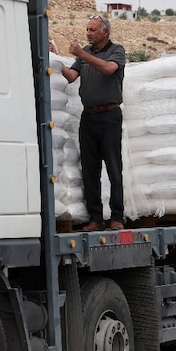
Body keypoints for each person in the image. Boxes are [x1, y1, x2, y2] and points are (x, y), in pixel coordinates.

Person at [58, 15, 127, 231]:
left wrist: (82, 54)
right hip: (89, 118)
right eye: (87, 29)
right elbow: (71, 76)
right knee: (90, 169)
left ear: (105, 32)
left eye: (93, 29)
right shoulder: (85, 53)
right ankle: (96, 218)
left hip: (109, 117)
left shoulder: (117, 50)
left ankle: (116, 217)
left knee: (113, 168)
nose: (88, 32)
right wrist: (55, 64)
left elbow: (108, 69)